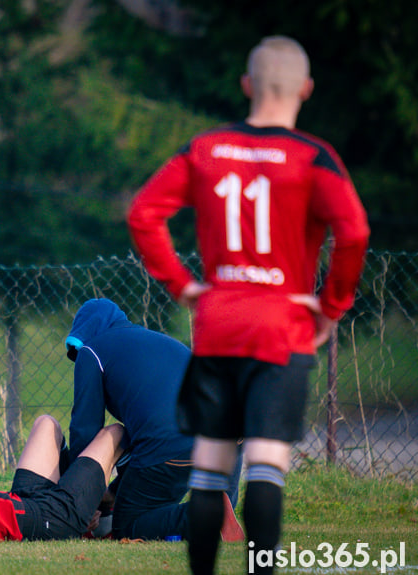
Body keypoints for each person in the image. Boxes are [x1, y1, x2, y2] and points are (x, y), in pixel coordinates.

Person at [127, 36, 369, 574]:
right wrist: (331, 307)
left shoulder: (207, 149)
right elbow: (353, 232)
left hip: (219, 325)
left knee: (211, 466)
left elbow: (144, 214)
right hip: (282, 328)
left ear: (246, 86)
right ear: (306, 89)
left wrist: (184, 286)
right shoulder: (313, 156)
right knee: (265, 464)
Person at [64, 298, 243, 542]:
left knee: (128, 525)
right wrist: (112, 493)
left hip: (175, 441)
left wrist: (80, 493)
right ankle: (219, 521)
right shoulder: (156, 340)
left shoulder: (91, 351)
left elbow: (85, 430)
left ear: (83, 333)